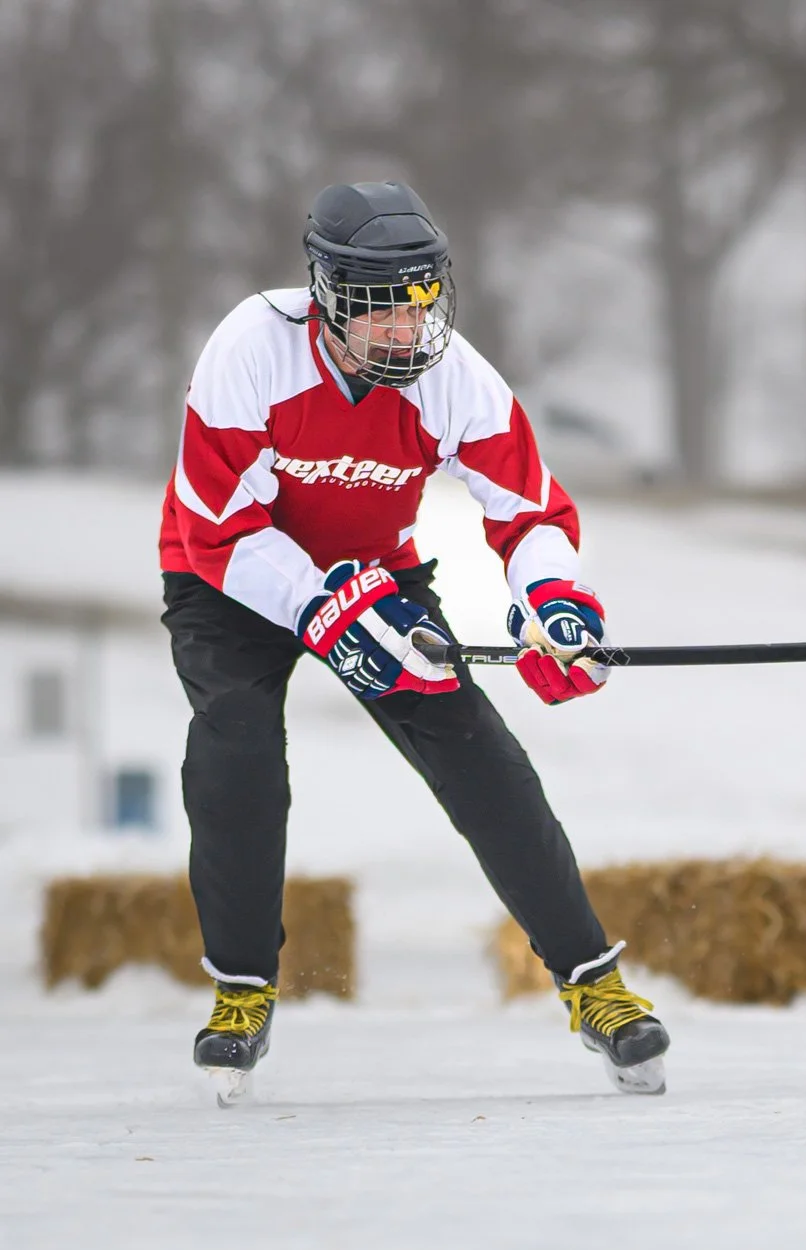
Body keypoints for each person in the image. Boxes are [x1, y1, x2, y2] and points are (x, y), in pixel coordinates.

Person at [159, 181, 668, 1102]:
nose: (406, 333)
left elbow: (528, 509)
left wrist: (554, 600)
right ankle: (241, 991)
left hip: (376, 572)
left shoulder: (454, 377)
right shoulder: (251, 347)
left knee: (480, 758)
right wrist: (322, 609)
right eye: (380, 313)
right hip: (229, 573)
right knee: (235, 754)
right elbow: (217, 529)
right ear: (328, 298)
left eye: (420, 305)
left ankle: (594, 984)